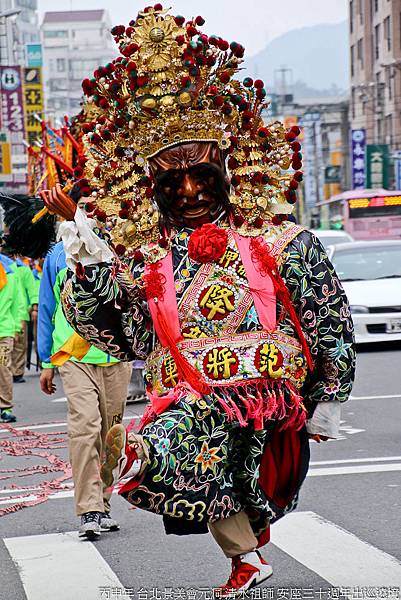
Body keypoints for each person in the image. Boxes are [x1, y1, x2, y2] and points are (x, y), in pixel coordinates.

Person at [40, 5, 355, 594]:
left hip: (268, 392)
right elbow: (119, 331)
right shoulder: (145, 257)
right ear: (152, 189)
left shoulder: (279, 240)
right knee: (198, 459)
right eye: (172, 183)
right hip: (195, 390)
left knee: (230, 478)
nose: (188, 191)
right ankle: (166, 481)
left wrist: (329, 395)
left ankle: (220, 526)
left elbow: (327, 318)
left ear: (226, 174)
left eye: (201, 178)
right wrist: (86, 255)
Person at [38, 241, 132, 540]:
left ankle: (103, 504)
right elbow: (47, 306)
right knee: (85, 426)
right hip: (74, 355)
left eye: (90, 205)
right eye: (79, 205)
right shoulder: (56, 255)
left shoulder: (119, 244)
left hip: (116, 355)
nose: (86, 212)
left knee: (111, 434)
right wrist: (45, 360)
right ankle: (88, 508)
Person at [0, 251, 24, 423]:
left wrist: (17, 327)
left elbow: (18, 302)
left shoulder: (10, 272)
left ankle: (4, 407)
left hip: (4, 330)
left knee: (3, 368)